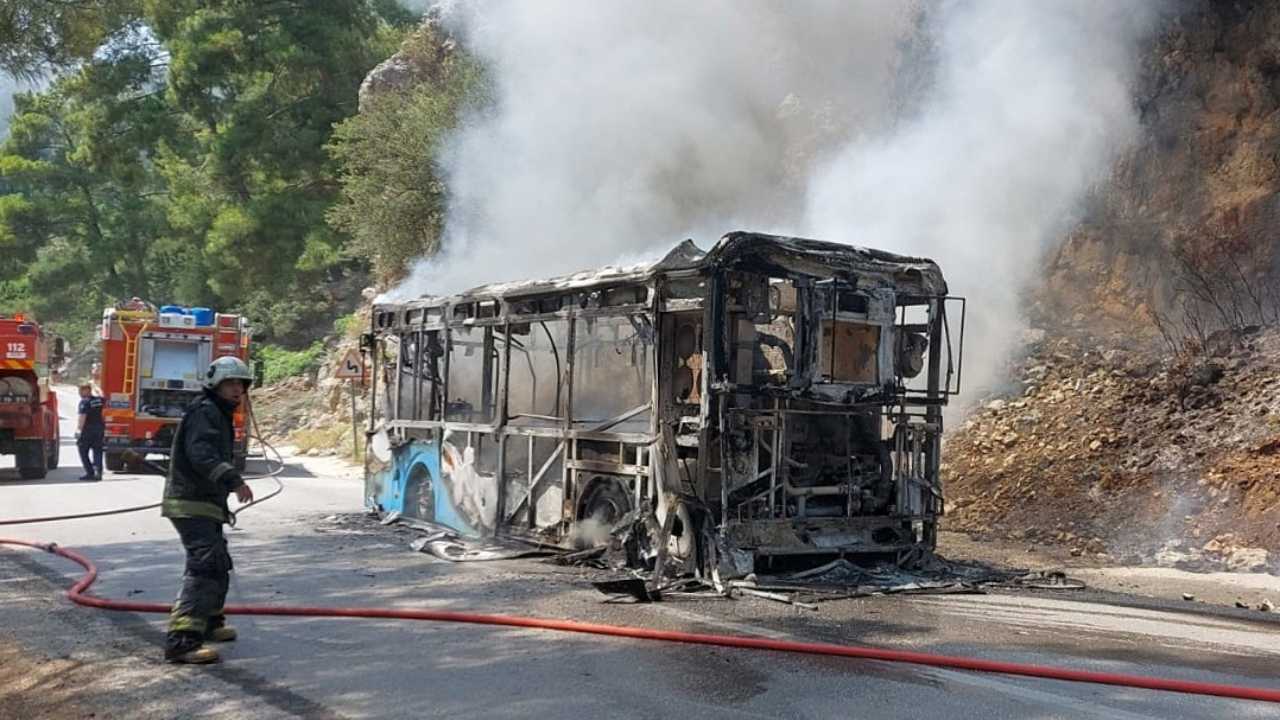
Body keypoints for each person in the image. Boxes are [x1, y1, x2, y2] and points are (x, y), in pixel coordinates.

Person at [161, 356, 255, 664]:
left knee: (218, 562)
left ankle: (211, 623)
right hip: (190, 503)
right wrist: (234, 480)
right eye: (230, 383)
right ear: (216, 384)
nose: (237, 389)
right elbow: (201, 454)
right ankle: (182, 641)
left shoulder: (218, 413)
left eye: (241, 384)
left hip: (207, 504)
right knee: (204, 565)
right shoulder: (206, 412)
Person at [76, 383, 105, 481]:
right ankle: (98, 472)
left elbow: (82, 417)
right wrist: (96, 387)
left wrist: (79, 430)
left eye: (81, 390)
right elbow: (102, 394)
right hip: (99, 429)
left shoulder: (84, 402)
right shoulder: (99, 400)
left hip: (87, 430)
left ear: (86, 390)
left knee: (82, 451)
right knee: (97, 451)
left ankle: (90, 472)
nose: (79, 393)